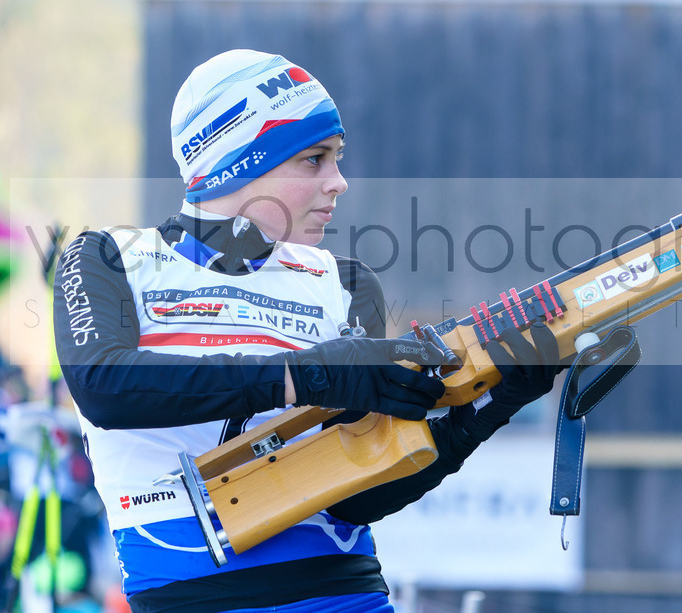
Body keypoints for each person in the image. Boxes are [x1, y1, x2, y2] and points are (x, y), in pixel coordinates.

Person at [52, 49, 560, 612]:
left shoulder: (343, 283)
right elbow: (104, 387)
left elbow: (358, 498)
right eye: (314, 160)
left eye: (337, 158)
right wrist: (315, 373)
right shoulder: (109, 258)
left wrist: (480, 416)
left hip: (349, 594)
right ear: (241, 163)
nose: (338, 182)